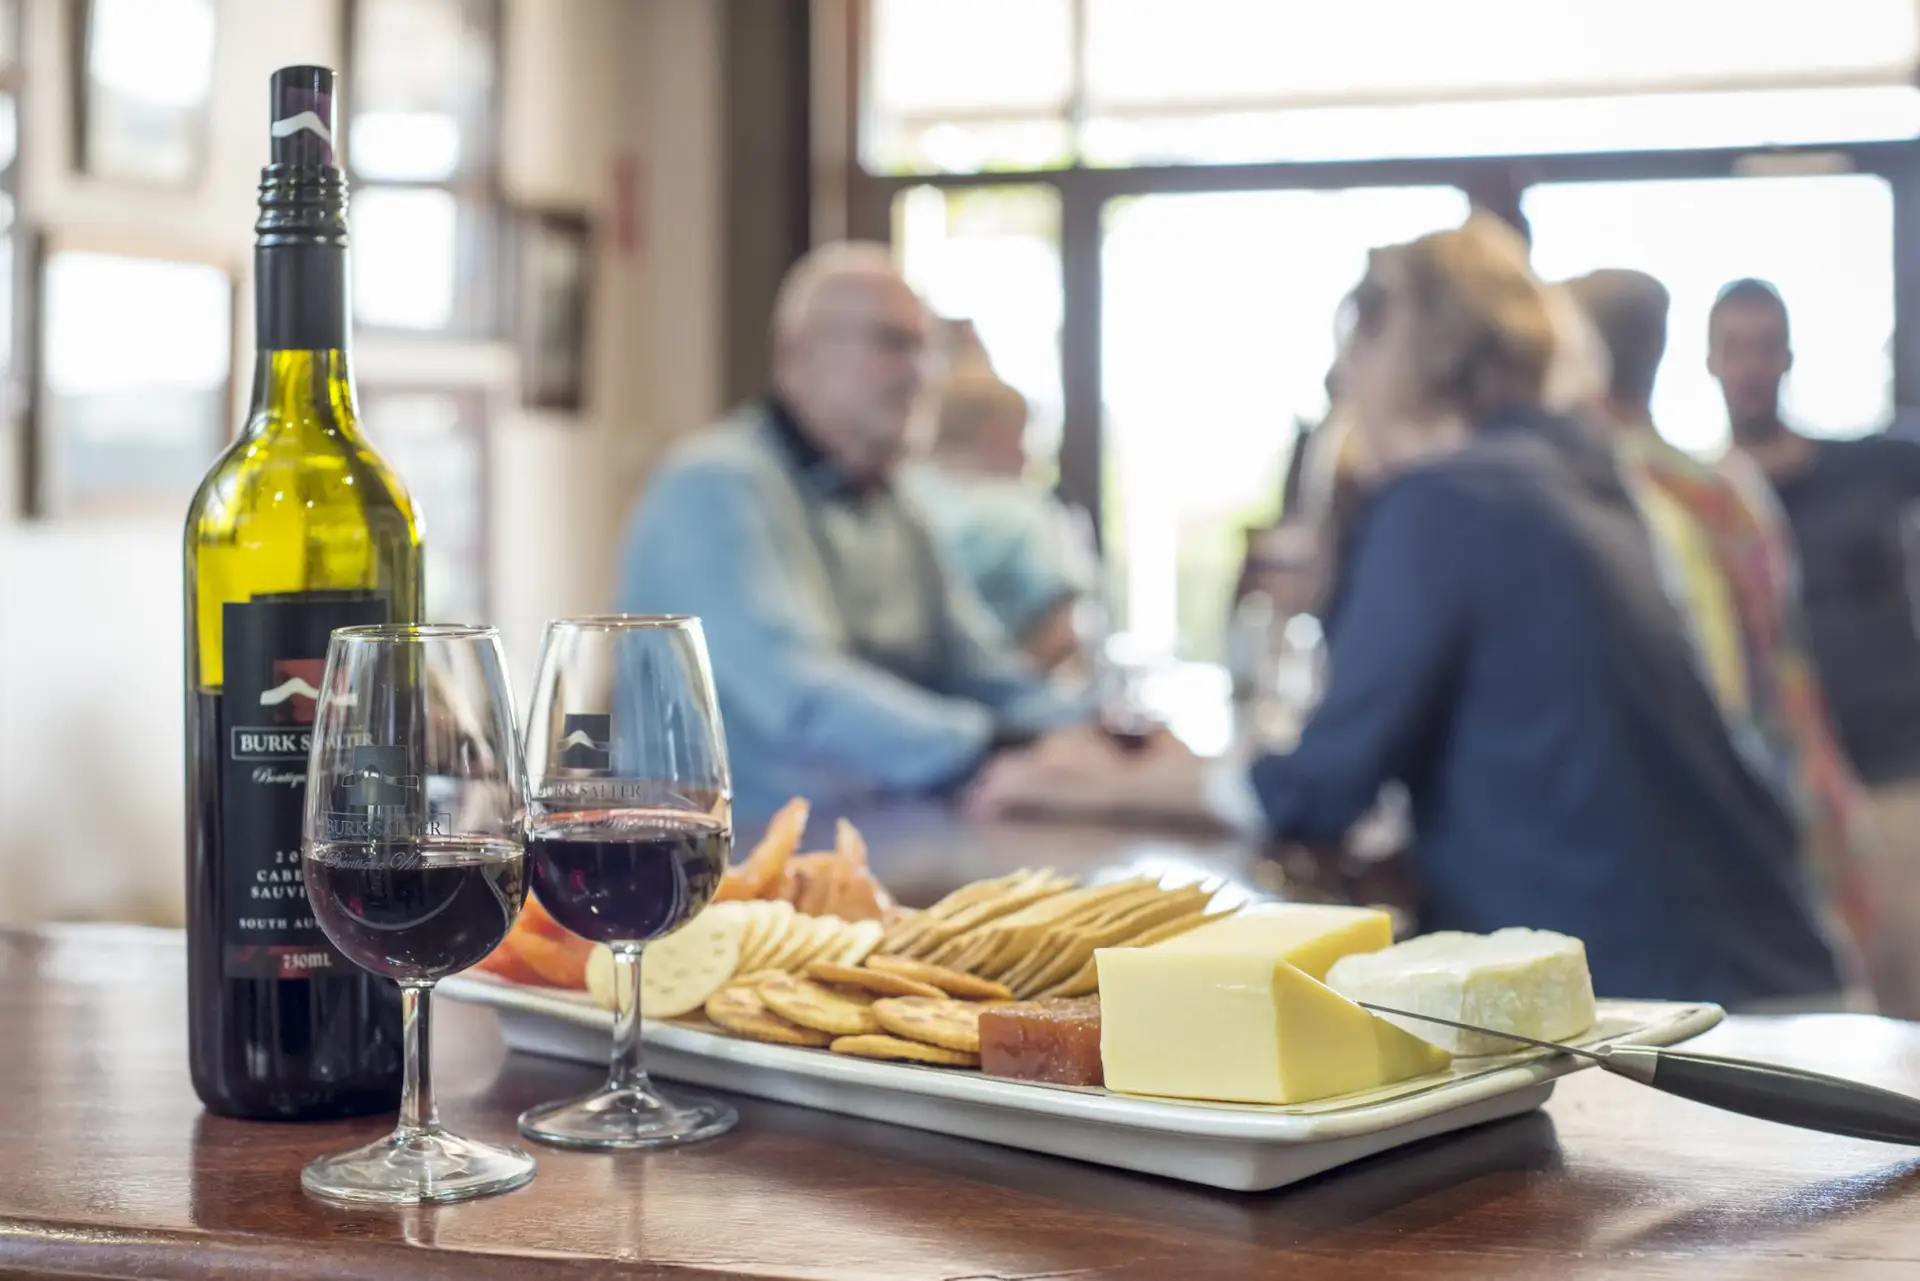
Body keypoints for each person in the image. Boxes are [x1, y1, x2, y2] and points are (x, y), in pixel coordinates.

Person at [971, 216, 1843, 1009]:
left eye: (1349, 359)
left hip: (1653, 1005)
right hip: (1769, 969)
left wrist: (1097, 782)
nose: (1346, 389)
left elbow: (1322, 786)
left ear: (1396, 348)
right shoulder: (1574, 474)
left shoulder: (1449, 500)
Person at [618, 243, 1091, 819]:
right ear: (797, 353)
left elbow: (981, 671)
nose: (921, 373)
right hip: (722, 873)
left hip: (877, 850)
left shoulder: (897, 506)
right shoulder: (713, 486)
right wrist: (998, 743)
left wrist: (1098, 727)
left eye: (928, 348)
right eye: (893, 343)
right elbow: (799, 697)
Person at [1565, 268, 1875, 990]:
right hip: (1809, 810)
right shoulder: (1728, 491)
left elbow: (1724, 703)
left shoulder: (1622, 502)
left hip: (1734, 854)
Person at [1710, 277, 1920, 1012]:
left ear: (1788, 357)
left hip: (1891, 777)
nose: (1749, 366)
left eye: (1764, 347)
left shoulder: (1870, 469)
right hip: (1777, 802)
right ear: (1710, 360)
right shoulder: (1698, 502)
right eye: (1733, 348)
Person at [901, 374, 1094, 670]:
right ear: (997, 433)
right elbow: (1061, 636)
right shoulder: (1020, 512)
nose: (1030, 453)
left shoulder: (893, 494)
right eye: (1026, 434)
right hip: (996, 694)